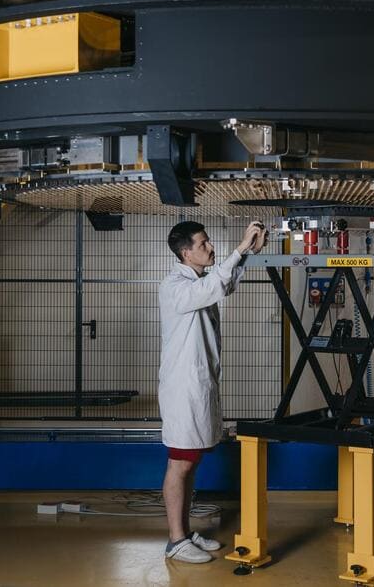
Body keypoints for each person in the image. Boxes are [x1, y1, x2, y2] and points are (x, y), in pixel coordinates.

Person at [158, 219, 267, 563]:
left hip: (198, 388)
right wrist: (239, 247)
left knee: (191, 463)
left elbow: (225, 284)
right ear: (186, 253)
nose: (210, 247)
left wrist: (247, 254)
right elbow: (215, 285)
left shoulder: (200, 281)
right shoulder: (175, 286)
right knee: (180, 464)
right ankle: (176, 541)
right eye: (203, 244)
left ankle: (185, 533)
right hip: (183, 391)